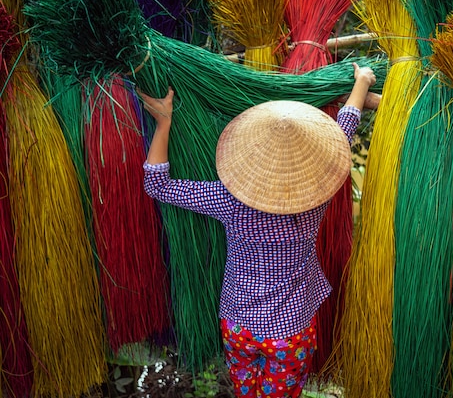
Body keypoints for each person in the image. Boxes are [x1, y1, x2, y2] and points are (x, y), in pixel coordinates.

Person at [138, 62, 377, 397]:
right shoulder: (313, 202)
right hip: (288, 335)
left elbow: (157, 186)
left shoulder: (227, 199)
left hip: (238, 329)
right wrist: (362, 82)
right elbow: (342, 136)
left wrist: (163, 121)